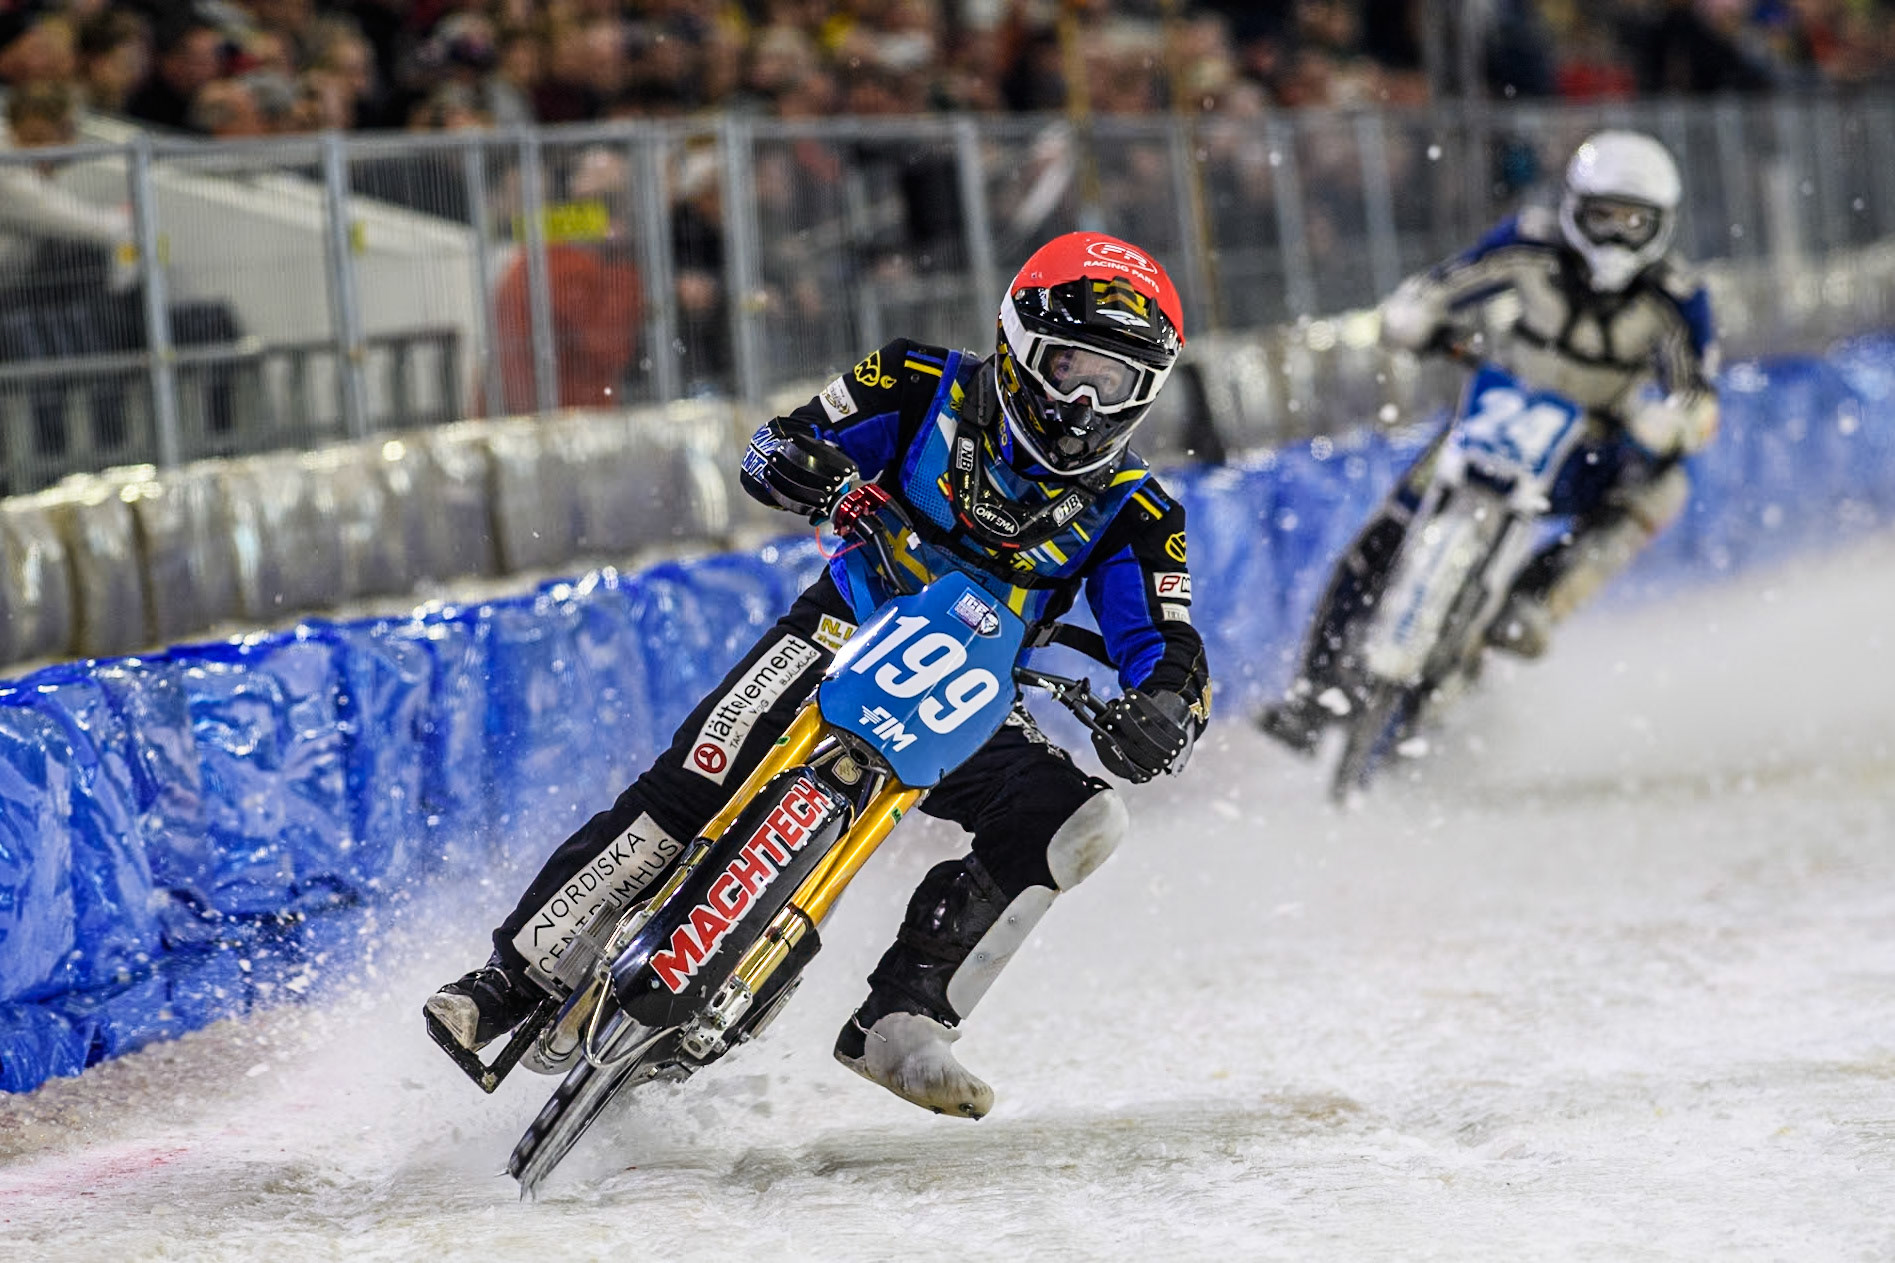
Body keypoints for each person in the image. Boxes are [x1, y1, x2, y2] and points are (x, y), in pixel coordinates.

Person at [428, 231, 1212, 1118]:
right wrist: (834, 487)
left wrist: (1164, 710)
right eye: (1070, 364)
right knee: (689, 783)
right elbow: (775, 445)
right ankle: (507, 981)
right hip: (840, 627)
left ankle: (905, 1019)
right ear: (1022, 340)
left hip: (967, 694)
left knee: (1082, 818)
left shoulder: (1140, 510)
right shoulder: (919, 380)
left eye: (1108, 380)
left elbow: (1168, 642)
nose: (1080, 398)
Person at [1258, 130, 1718, 753]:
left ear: (1660, 225)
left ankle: (1537, 599)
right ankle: (1312, 695)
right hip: (1499, 412)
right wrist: (1414, 313)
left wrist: (1674, 422)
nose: (1613, 236)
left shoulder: (1679, 299)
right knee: (1384, 534)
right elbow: (1444, 284)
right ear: (1573, 206)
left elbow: (1699, 396)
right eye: (1601, 216)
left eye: (1632, 221)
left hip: (1592, 447)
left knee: (1666, 486)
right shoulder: (1529, 243)